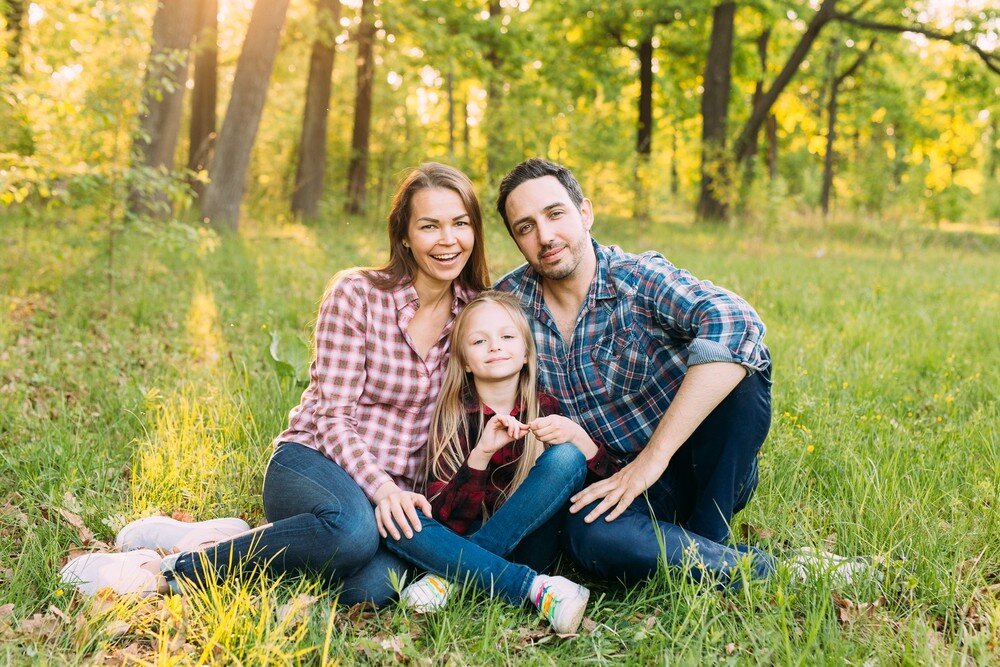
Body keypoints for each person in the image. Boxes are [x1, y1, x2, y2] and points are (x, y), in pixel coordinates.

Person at [61, 163, 491, 605]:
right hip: (315, 462)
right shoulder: (357, 294)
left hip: (401, 491)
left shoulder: (477, 316)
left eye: (460, 223)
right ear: (404, 234)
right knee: (352, 532)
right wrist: (381, 489)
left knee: (370, 589)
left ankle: (215, 540)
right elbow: (333, 417)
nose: (447, 239)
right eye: (429, 225)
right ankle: (166, 570)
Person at [493, 158, 776, 589]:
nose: (545, 236)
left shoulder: (636, 278)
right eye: (525, 227)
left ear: (584, 213)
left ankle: (706, 539)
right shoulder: (509, 305)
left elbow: (737, 321)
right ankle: (751, 567)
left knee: (742, 369)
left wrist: (653, 459)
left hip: (700, 467)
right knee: (585, 535)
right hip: (616, 492)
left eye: (555, 214)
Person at [383, 291, 620, 633]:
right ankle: (535, 588)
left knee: (567, 456)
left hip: (529, 545)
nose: (495, 346)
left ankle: (450, 575)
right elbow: (447, 519)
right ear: (464, 360)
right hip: (465, 533)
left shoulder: (546, 410)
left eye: (507, 337)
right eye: (479, 341)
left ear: (526, 353)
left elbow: (602, 489)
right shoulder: (451, 418)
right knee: (398, 524)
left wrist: (580, 440)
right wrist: (479, 455)